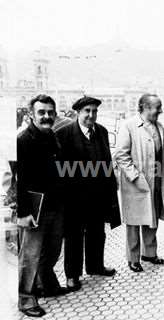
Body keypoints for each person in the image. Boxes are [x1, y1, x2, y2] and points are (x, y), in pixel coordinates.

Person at [56, 96, 121, 292]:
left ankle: (95, 266)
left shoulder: (101, 131)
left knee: (97, 233)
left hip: (97, 195)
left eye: (94, 111)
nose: (91, 115)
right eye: (87, 111)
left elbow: (107, 161)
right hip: (74, 197)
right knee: (74, 236)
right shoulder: (64, 133)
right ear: (78, 112)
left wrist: (111, 185)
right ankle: (72, 275)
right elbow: (59, 167)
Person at [17, 95, 68, 317]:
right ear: (31, 115)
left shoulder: (52, 136)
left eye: (50, 112)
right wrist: (24, 212)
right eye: (41, 112)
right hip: (34, 207)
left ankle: (46, 284)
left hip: (55, 204)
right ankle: (26, 299)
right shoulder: (23, 140)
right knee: (30, 255)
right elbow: (17, 181)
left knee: (53, 249)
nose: (47, 116)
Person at [114, 94, 164, 272]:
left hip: (155, 180)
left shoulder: (160, 127)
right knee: (134, 222)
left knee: (152, 217)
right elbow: (121, 155)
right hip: (135, 183)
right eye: (157, 107)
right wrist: (134, 176)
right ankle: (133, 258)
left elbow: (163, 152)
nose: (160, 111)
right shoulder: (129, 126)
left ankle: (149, 253)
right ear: (145, 107)